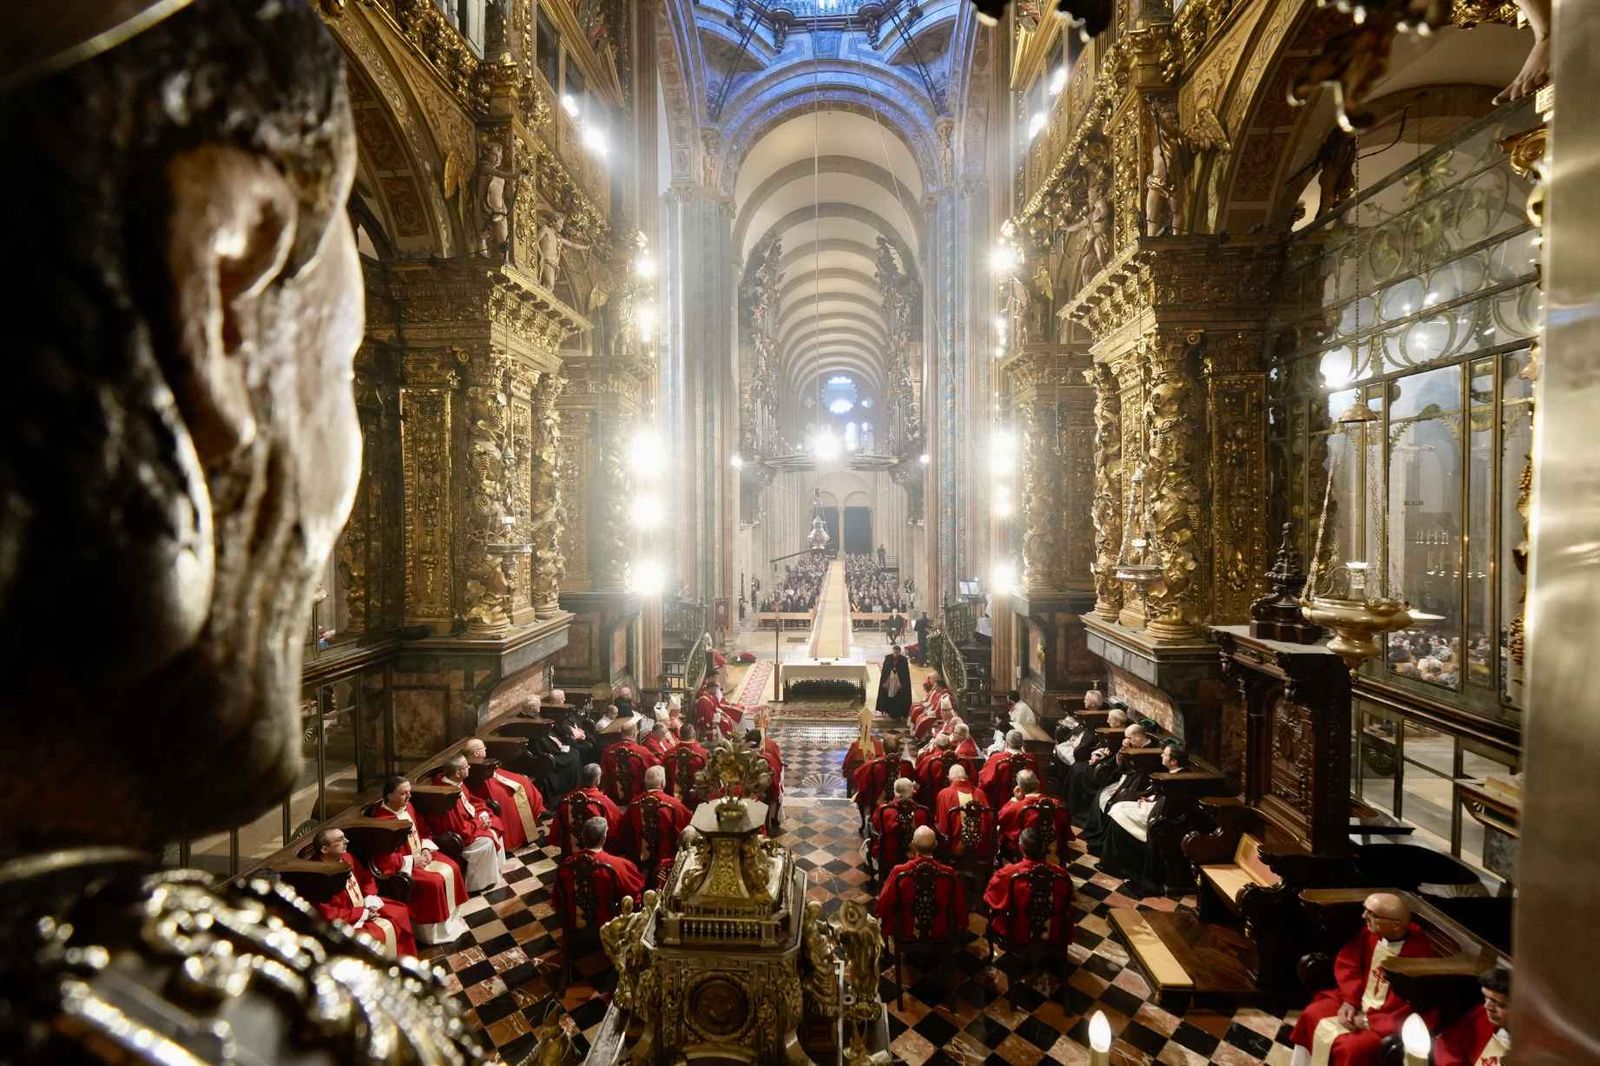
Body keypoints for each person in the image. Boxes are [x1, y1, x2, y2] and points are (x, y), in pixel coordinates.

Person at [1289, 892, 1439, 1066]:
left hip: (1387, 1021)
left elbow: (1415, 1006)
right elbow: (1348, 962)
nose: (1364, 916)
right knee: (1312, 1013)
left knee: (1351, 1048)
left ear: (1396, 925)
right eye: (1365, 911)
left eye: (1371, 914)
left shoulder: (1419, 956)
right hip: (1359, 1002)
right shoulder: (1372, 934)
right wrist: (1349, 1000)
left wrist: (1369, 1021)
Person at [367, 775, 471, 945]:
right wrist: (412, 861)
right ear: (389, 796)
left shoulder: (408, 808)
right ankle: (433, 935)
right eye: (403, 794)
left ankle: (451, 924)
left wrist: (426, 849)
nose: (408, 797)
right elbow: (383, 861)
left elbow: (423, 831)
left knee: (453, 866)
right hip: (404, 867)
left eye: (409, 792)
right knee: (435, 881)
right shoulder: (382, 823)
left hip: (421, 855)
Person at [310, 826, 417, 958]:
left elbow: (366, 878)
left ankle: (404, 958)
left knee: (400, 911)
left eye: (344, 837)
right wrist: (363, 913)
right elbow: (329, 914)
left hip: (364, 906)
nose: (347, 841)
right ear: (324, 849)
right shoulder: (317, 877)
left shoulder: (347, 858)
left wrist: (370, 897)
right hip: (346, 921)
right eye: (340, 839)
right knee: (375, 935)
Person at [1095, 745, 1189, 891]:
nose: (1161, 756)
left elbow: (1171, 804)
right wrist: (1150, 799)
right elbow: (1160, 796)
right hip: (1155, 808)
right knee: (1118, 808)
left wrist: (1151, 803)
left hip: (1160, 817)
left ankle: (1118, 864)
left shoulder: (1179, 779)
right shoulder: (1172, 774)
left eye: (1165, 754)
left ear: (1173, 761)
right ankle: (1112, 861)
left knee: (1119, 812)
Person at [982, 828, 1075, 948]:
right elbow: (1069, 899)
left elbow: (991, 896)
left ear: (1021, 848)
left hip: (1018, 932)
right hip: (1053, 932)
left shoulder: (1008, 873)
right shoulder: (1062, 875)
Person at [427, 754, 507, 892]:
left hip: (470, 823)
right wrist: (480, 824)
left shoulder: (457, 783)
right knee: (486, 841)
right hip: (457, 835)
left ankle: (495, 871)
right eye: (466, 766)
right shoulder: (447, 795)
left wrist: (482, 813)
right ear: (458, 773)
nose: (469, 767)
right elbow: (458, 827)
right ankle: (477, 884)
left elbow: (472, 801)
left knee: (495, 822)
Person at [876, 826, 967, 943]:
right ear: (935, 845)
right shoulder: (948, 873)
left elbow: (883, 904)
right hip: (940, 931)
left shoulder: (899, 871)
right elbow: (959, 906)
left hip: (906, 930)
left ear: (913, 845)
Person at [553, 817, 645, 928]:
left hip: (573, 925)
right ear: (604, 838)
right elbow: (636, 892)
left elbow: (557, 900)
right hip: (608, 928)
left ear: (582, 836)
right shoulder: (618, 865)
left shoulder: (566, 865)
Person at [461, 736, 544, 852]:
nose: (485, 750)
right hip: (485, 788)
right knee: (512, 794)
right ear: (476, 753)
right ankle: (517, 838)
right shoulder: (474, 767)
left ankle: (532, 825)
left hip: (491, 779)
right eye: (483, 748)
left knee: (522, 781)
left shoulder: (477, 763)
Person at [621, 766, 693, 878]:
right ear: (663, 783)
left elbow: (625, 833)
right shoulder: (675, 805)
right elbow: (688, 832)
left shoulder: (634, 804)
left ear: (645, 782)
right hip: (667, 866)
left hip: (638, 865)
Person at [1433, 966, 1511, 1066]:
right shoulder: (1480, 1016)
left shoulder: (1532, 1045)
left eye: (1499, 1003)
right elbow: (1447, 1043)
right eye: (1486, 998)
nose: (1487, 1006)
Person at [996, 770, 1073, 862]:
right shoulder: (1058, 805)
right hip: (1052, 848)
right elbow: (1065, 831)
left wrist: (1015, 800)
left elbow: (999, 819)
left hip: (1024, 848)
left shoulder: (1016, 806)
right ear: (1039, 784)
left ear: (1019, 788)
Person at [552, 763, 624, 855]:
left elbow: (557, 830)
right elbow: (618, 825)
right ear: (598, 780)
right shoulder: (603, 802)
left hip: (571, 850)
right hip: (597, 852)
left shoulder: (566, 800)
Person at [870, 778, 933, 877]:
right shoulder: (923, 812)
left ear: (895, 792)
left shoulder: (883, 810)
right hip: (916, 856)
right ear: (912, 792)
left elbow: (875, 827)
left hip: (889, 856)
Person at [600, 718, 659, 805]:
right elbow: (654, 771)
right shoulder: (643, 752)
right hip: (637, 801)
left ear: (621, 733)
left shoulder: (608, 751)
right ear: (635, 734)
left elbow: (603, 776)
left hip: (612, 800)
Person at [979, 731, 1038, 810]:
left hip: (1001, 804)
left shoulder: (997, 759)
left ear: (1006, 743)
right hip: (1027, 805)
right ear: (1022, 744)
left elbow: (984, 782)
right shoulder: (1031, 759)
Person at [665, 723, 710, 805]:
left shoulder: (668, 753)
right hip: (696, 796)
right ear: (694, 735)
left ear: (680, 735)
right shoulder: (702, 753)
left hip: (672, 796)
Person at [876, 644, 913, 720]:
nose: (895, 654)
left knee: (898, 697)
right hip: (889, 680)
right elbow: (885, 671)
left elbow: (904, 673)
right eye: (894, 652)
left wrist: (901, 683)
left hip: (899, 682)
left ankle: (898, 712)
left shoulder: (903, 660)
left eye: (897, 653)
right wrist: (885, 682)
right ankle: (888, 710)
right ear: (893, 651)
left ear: (899, 652)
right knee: (889, 695)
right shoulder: (888, 658)